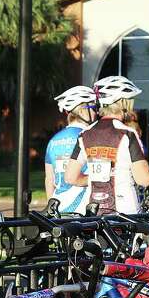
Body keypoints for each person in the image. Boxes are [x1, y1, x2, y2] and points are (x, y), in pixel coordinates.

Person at [65, 76, 149, 215]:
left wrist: (96, 177)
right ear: (122, 102)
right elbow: (144, 179)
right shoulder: (127, 133)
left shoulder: (85, 134)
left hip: (93, 211)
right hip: (125, 213)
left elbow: (71, 177)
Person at [45, 85, 96, 213]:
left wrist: (51, 210)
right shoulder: (88, 136)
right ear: (83, 111)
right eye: (93, 108)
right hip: (82, 209)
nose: (96, 112)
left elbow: (49, 179)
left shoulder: (53, 140)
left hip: (58, 208)